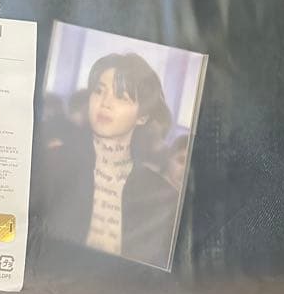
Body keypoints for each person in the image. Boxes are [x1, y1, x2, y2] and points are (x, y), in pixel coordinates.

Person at [40, 53, 179, 269]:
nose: (105, 103)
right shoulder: (54, 163)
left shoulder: (163, 197)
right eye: (99, 91)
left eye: (121, 97)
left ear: (142, 116)